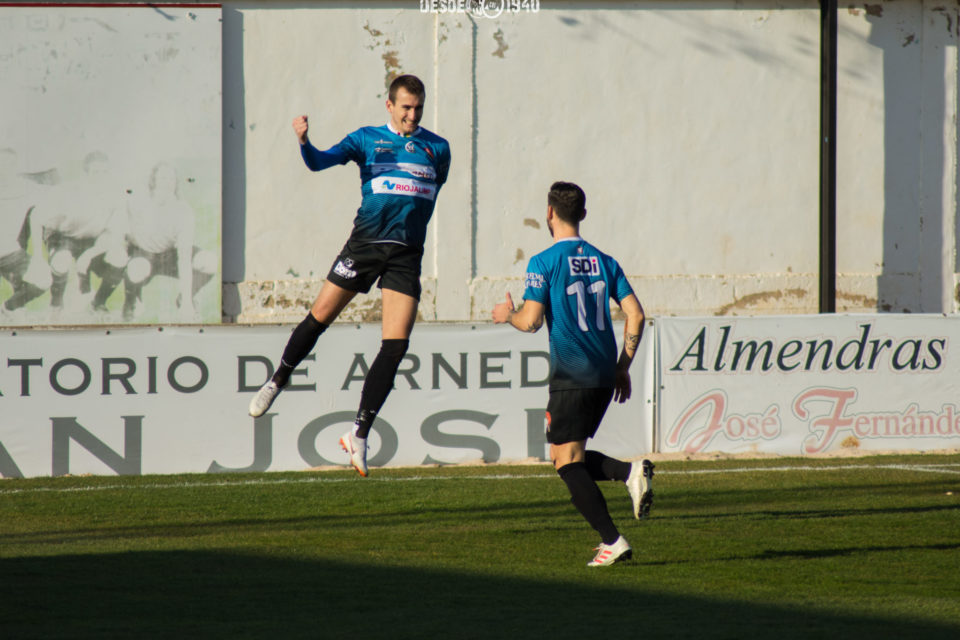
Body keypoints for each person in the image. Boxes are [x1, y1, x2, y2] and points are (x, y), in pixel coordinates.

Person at [248, 74, 452, 478]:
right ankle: (277, 379)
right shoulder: (366, 139)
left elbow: (427, 195)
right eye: (406, 107)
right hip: (365, 246)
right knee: (319, 317)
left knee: (395, 346)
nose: (412, 114)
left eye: (419, 108)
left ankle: (358, 433)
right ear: (389, 105)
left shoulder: (439, 148)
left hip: (406, 255)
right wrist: (305, 142)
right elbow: (320, 162)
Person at [491, 181, 653, 567]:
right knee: (567, 455)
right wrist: (622, 367)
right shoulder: (605, 261)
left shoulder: (543, 262)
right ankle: (630, 472)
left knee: (565, 462)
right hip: (602, 372)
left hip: (572, 372)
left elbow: (530, 322)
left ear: (549, 213)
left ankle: (613, 540)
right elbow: (636, 314)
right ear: (582, 214)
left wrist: (506, 315)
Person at [117, 162, 216, 321]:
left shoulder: (183, 211)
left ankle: (185, 299)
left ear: (176, 183)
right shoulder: (138, 202)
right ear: (153, 180)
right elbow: (122, 228)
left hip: (169, 256)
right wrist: (123, 248)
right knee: (136, 269)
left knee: (210, 261)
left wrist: (187, 306)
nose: (167, 182)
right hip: (144, 254)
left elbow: (184, 257)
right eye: (162, 177)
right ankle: (131, 302)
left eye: (171, 178)